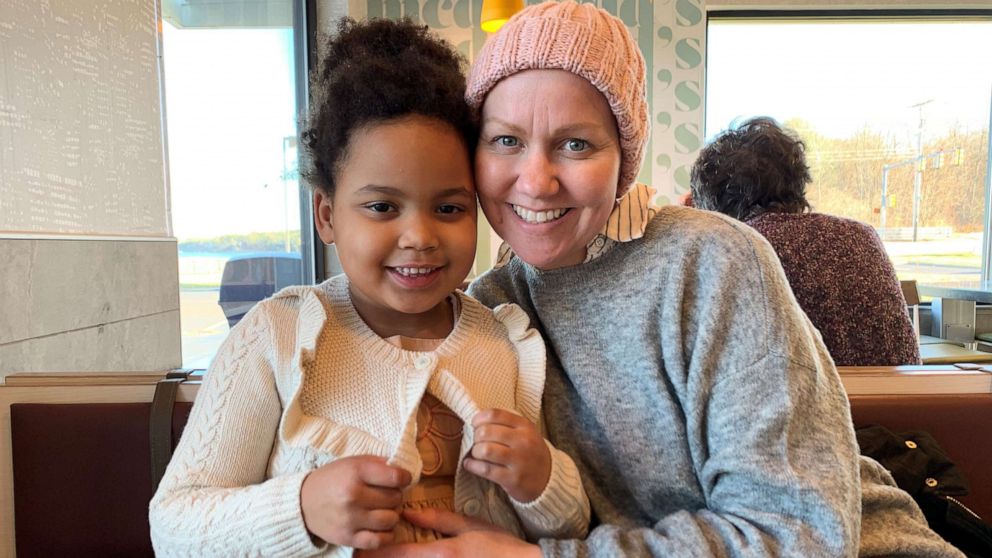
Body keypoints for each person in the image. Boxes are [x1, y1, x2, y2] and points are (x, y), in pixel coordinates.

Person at [365, 2, 962, 557]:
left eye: (576, 144)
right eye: (506, 141)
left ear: (624, 160)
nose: (537, 180)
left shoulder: (714, 262)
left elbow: (797, 533)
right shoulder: (492, 304)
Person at [148, 17, 588, 556]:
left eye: (449, 208)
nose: (420, 237)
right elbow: (173, 525)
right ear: (327, 215)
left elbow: (568, 529)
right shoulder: (278, 336)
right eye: (382, 207)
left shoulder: (507, 343)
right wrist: (303, 508)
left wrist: (543, 480)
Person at [690, 117, 921, 367]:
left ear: (712, 201)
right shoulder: (862, 236)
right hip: (902, 403)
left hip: (814, 405)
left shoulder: (739, 247)